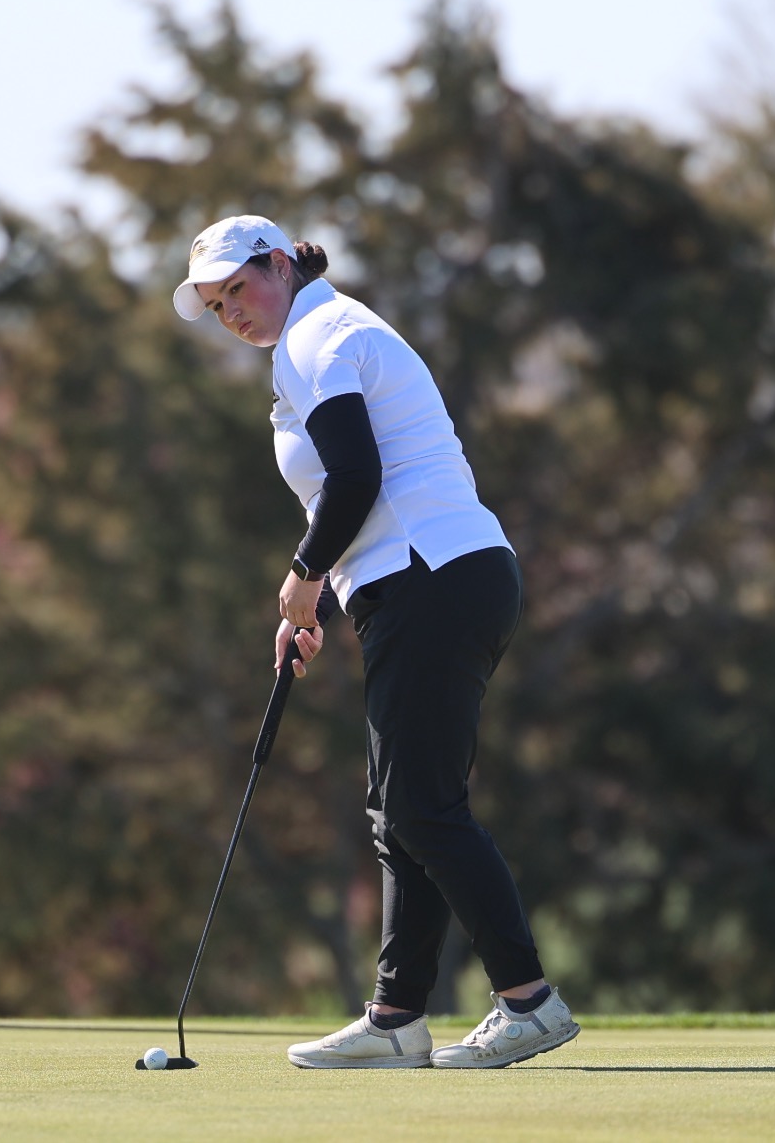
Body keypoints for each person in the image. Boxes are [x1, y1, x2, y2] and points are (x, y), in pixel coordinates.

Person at [174, 215, 578, 1069]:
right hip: (428, 577)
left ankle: (529, 1001)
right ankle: (397, 1016)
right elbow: (348, 484)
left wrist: (304, 576)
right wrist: (313, 600)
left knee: (423, 807)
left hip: (432, 572)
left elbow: (358, 476)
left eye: (239, 290)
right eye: (216, 307)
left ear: (280, 264)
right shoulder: (320, 333)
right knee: (401, 807)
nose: (232, 314)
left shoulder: (318, 334)